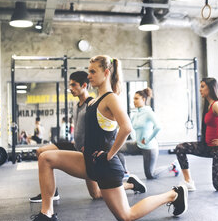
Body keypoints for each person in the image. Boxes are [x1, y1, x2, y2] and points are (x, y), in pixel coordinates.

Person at [19, 56, 187, 221]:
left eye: (93, 72)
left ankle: (173, 194)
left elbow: (126, 127)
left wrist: (110, 154)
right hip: (89, 160)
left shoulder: (111, 98)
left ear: (106, 73)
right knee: (46, 158)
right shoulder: (94, 101)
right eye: (89, 71)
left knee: (126, 216)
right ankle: (47, 215)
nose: (89, 75)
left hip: (106, 165)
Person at [29, 71, 141, 202]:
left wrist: (104, 151)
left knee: (96, 194)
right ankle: (51, 191)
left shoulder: (93, 104)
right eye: (70, 85)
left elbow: (107, 129)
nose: (70, 88)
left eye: (74, 85)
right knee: (41, 152)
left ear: (84, 85)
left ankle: (131, 184)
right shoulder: (77, 105)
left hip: (87, 151)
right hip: (75, 145)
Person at [130, 87, 178, 179]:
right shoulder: (135, 114)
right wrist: (134, 139)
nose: (134, 101)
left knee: (150, 175)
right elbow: (130, 127)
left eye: (136, 98)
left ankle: (173, 167)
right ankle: (124, 172)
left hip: (149, 147)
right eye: (133, 99)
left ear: (143, 99)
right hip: (138, 145)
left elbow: (158, 127)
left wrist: (147, 140)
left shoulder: (149, 113)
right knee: (119, 150)